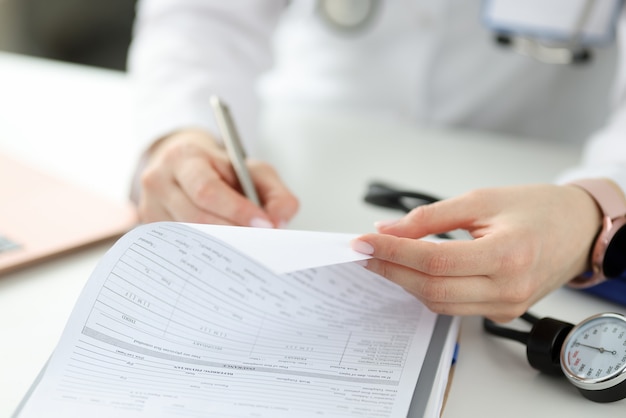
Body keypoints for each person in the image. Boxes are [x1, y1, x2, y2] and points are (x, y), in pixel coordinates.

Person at [127, 0, 626, 322]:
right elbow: (201, 17)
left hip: (535, 181)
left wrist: (593, 208)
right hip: (299, 159)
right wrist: (181, 133)